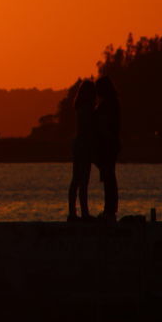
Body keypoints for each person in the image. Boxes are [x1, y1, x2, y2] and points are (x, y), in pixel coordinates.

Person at [67, 80, 98, 222]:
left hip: (78, 144)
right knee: (83, 180)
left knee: (76, 180)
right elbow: (89, 131)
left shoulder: (80, 108)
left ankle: (73, 213)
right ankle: (83, 213)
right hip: (84, 146)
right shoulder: (87, 110)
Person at [93, 76, 121, 221]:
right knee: (110, 177)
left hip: (107, 145)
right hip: (111, 144)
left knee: (108, 177)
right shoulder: (114, 103)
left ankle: (109, 210)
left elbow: (104, 126)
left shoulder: (106, 105)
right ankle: (110, 209)